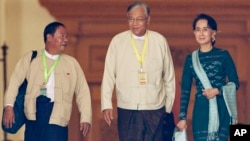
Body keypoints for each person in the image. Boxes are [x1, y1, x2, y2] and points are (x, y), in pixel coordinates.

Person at [2, 21, 92, 141]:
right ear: (49, 37)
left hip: (58, 118)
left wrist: (85, 117)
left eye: (66, 36)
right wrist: (9, 107)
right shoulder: (30, 58)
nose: (66, 39)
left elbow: (83, 92)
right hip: (33, 116)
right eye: (62, 35)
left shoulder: (72, 63)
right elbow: (14, 82)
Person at [101, 1, 176, 141]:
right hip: (127, 107)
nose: (134, 23)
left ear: (148, 20)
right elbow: (108, 75)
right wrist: (106, 104)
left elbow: (169, 77)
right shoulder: (117, 41)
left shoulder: (159, 41)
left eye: (139, 19)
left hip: (155, 108)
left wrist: (168, 107)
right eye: (131, 18)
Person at [176, 13, 240, 141]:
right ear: (194, 33)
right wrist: (182, 117)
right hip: (201, 111)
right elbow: (185, 91)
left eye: (205, 29)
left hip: (222, 109)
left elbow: (235, 83)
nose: (201, 33)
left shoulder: (223, 55)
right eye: (197, 30)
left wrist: (217, 90)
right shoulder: (190, 59)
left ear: (213, 33)